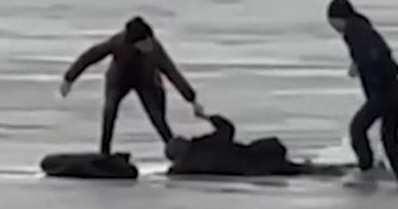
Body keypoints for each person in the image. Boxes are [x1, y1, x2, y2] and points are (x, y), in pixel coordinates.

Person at [58, 16, 205, 155]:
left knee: (157, 117)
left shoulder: (155, 49)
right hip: (118, 80)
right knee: (109, 111)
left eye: (150, 39)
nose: (149, 44)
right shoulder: (117, 43)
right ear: (134, 43)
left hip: (146, 81)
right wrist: (69, 78)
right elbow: (90, 56)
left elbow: (172, 72)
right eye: (145, 42)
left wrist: (192, 99)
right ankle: (104, 153)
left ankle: (172, 149)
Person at [326, 0, 398, 188]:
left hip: (388, 89)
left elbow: (374, 53)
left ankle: (368, 171)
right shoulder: (361, 27)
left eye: (332, 22)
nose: (333, 27)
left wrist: (361, 64)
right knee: (389, 136)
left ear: (338, 19)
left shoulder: (354, 30)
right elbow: (378, 50)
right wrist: (358, 63)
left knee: (358, 128)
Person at [164, 111, 344, 177]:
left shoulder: (186, 165)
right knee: (300, 170)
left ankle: (326, 170)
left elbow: (174, 171)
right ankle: (337, 170)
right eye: (179, 139)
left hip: (251, 168)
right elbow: (227, 129)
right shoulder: (201, 146)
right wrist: (208, 117)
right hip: (254, 159)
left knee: (297, 170)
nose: (182, 137)